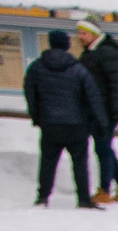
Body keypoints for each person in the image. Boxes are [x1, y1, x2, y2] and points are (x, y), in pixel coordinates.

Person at [23, 29, 108, 210]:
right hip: (76, 125)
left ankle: (43, 197)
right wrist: (101, 123)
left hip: (50, 123)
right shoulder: (78, 69)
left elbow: (30, 92)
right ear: (66, 45)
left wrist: (37, 116)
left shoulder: (37, 67)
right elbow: (93, 97)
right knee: (79, 162)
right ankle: (84, 199)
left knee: (48, 161)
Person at [73, 19, 118, 204]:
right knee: (104, 148)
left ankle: (105, 190)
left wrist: (115, 111)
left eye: (84, 33)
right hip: (95, 110)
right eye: (79, 33)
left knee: (102, 148)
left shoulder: (105, 53)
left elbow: (115, 84)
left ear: (94, 34)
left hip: (105, 111)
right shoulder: (90, 53)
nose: (80, 37)